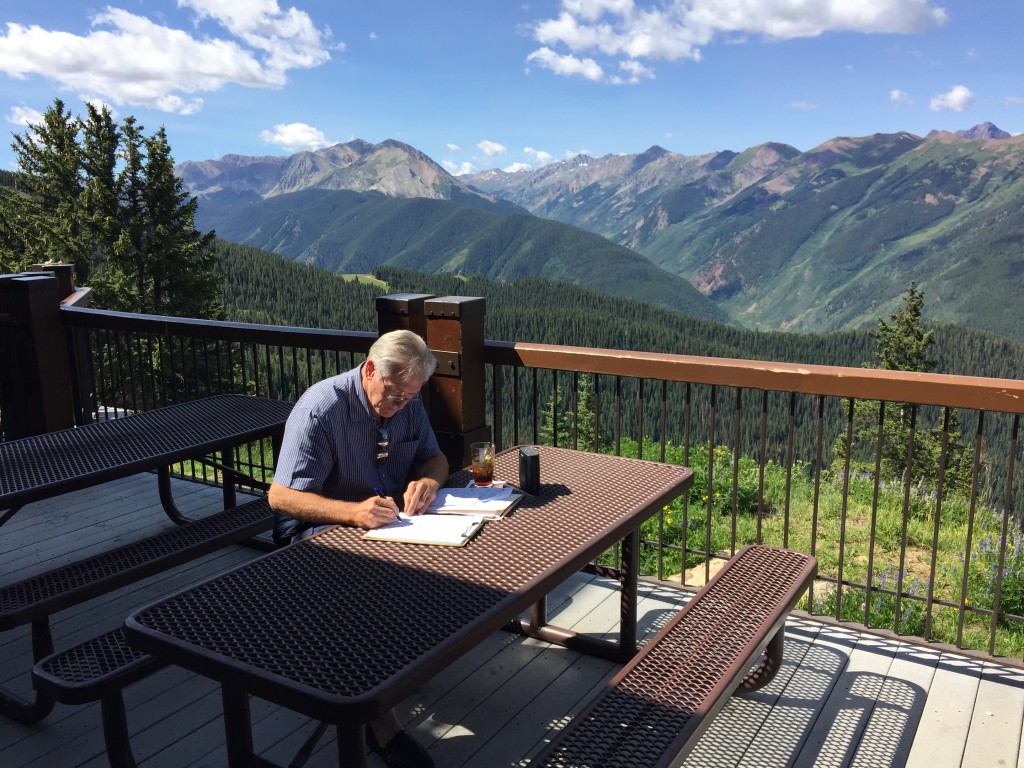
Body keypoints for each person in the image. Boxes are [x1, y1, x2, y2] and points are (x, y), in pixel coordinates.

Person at [269, 329, 448, 768]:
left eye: (409, 397)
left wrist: (428, 479)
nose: (401, 405)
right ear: (369, 370)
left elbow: (435, 458)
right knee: (370, 587)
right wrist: (351, 513)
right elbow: (280, 498)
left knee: (447, 565)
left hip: (385, 523)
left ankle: (397, 667)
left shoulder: (407, 399)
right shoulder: (321, 408)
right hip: (317, 531)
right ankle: (382, 726)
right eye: (393, 395)